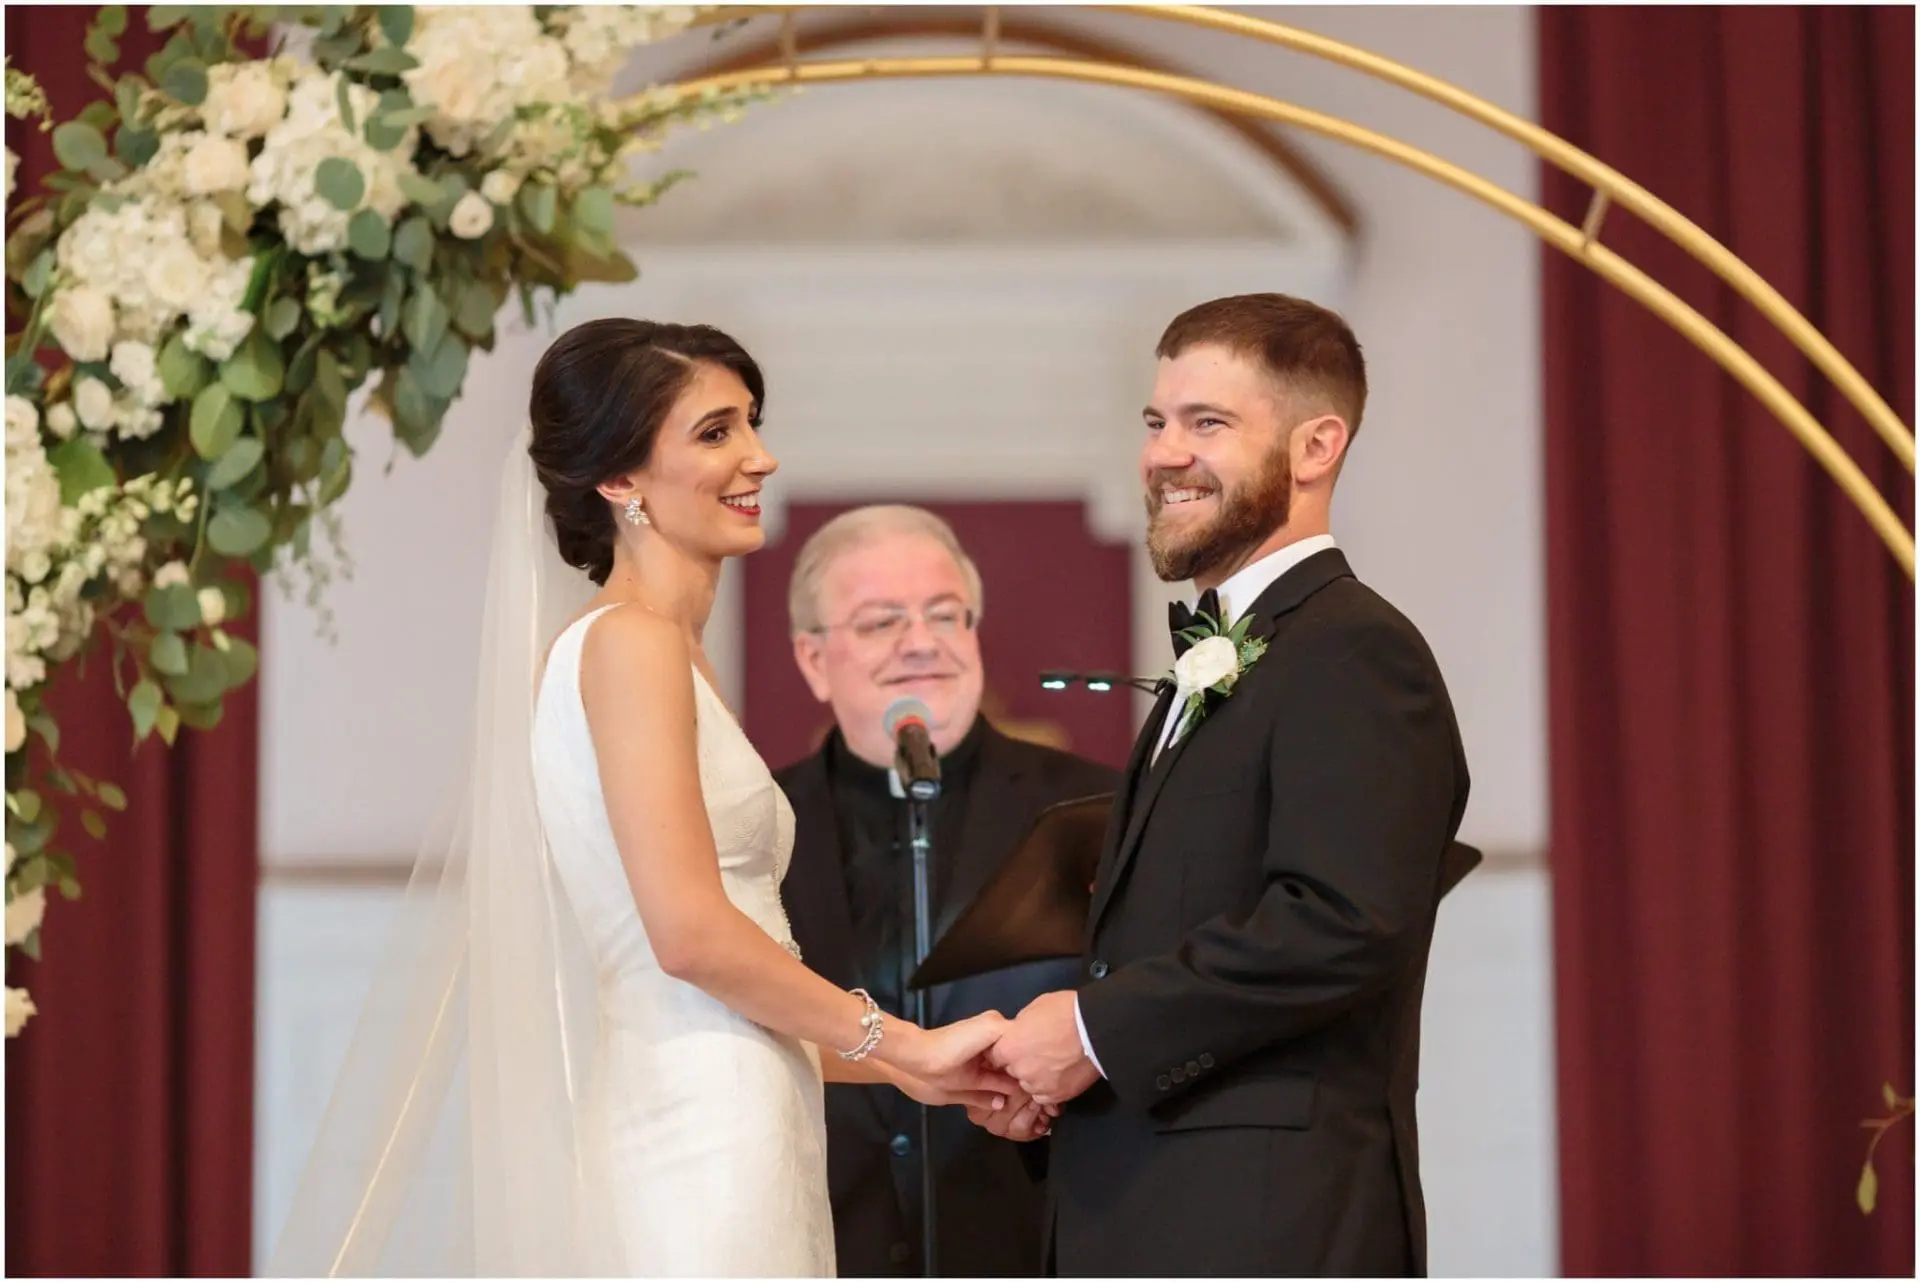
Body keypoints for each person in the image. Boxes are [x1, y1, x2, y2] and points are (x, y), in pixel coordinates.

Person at [267, 320, 1017, 1277]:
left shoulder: (666, 649)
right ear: (619, 481)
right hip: (702, 1129)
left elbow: (731, 981)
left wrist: (924, 1073)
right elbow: (691, 939)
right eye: (715, 432)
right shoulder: (629, 644)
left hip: (743, 1099)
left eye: (750, 422)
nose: (760, 454)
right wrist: (905, 1039)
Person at [984, 294, 1472, 1276]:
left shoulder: (1356, 650)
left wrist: (1091, 1029)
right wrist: (1070, 1069)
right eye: (1157, 422)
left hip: (1267, 1223)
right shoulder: (1230, 651)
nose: (1165, 454)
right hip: (1162, 1206)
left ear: (1316, 445)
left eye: (1208, 423)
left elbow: (1343, 918)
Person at [775, 505, 1119, 1275]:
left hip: (1036, 1242)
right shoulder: (756, 828)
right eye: (880, 621)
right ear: (813, 658)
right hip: (824, 1246)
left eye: (943, 614)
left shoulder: (1102, 808)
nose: (920, 642)